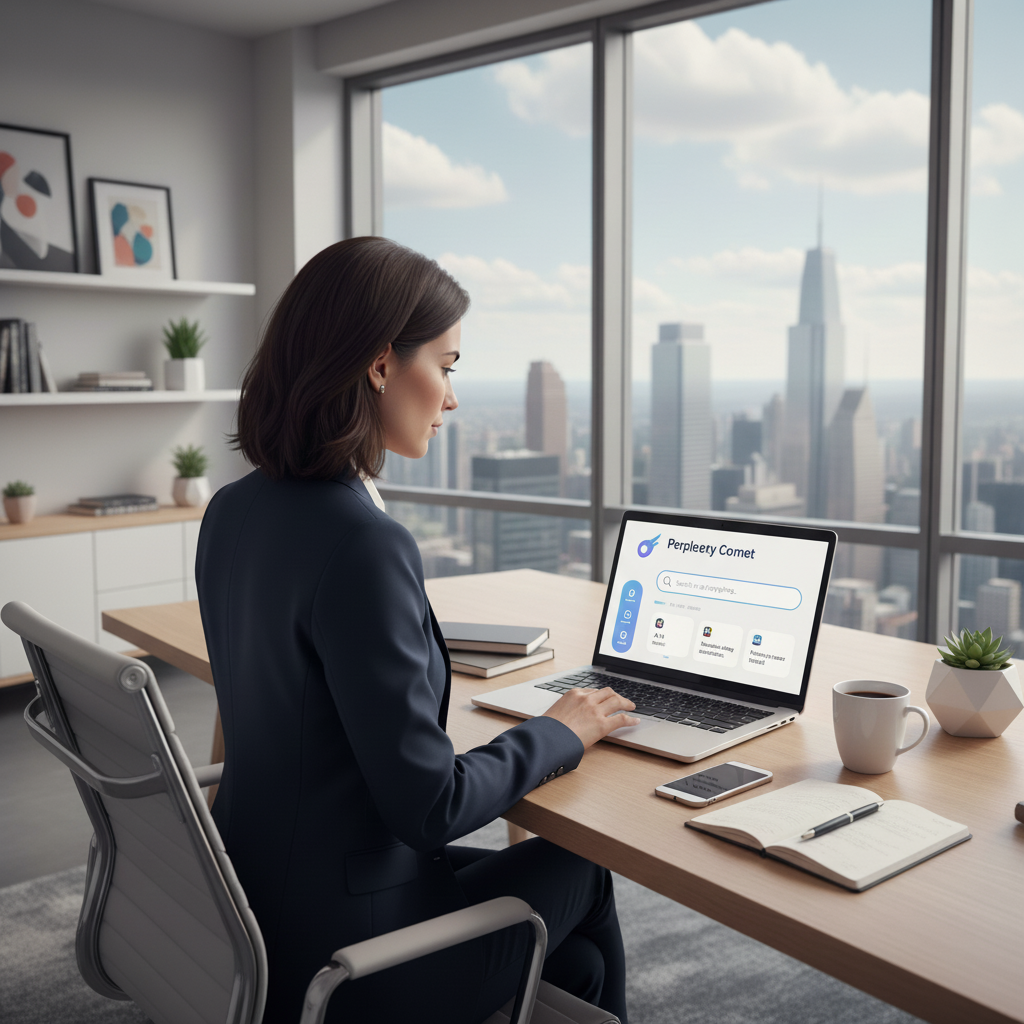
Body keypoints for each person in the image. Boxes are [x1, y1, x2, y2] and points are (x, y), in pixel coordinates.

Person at [196, 236, 637, 1024]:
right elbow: (428, 808)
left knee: (579, 962)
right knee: (584, 871)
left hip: (253, 908)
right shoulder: (363, 542)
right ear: (379, 365)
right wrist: (557, 730)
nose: (453, 397)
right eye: (449, 364)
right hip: (345, 955)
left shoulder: (235, 508)